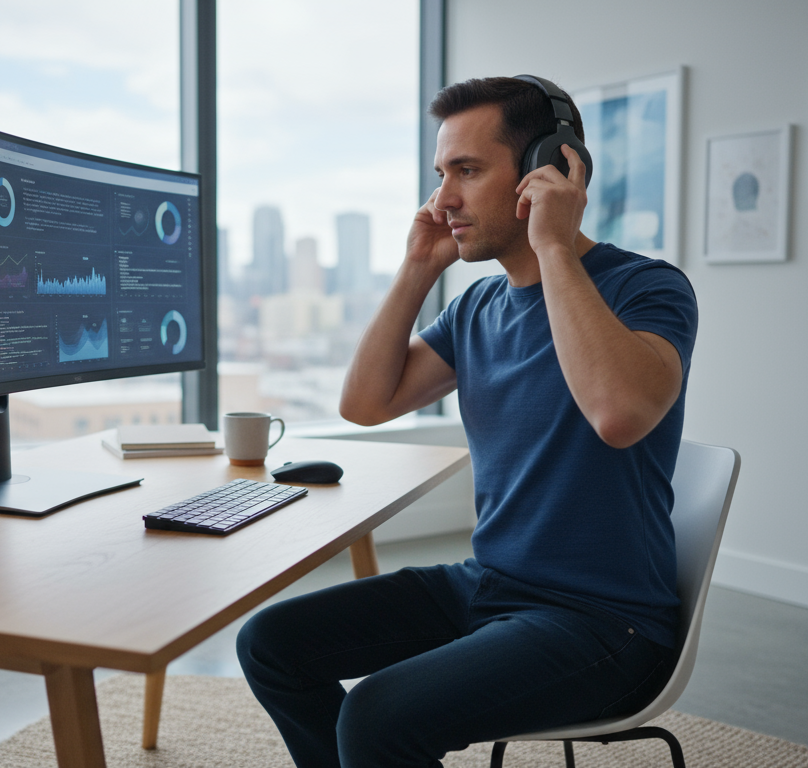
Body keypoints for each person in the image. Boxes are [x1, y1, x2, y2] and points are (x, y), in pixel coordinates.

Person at [236, 76, 699, 768]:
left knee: (378, 714)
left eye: (468, 171)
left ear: (549, 166)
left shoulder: (646, 288)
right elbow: (365, 404)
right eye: (441, 174)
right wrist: (417, 268)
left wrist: (554, 249)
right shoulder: (478, 309)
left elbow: (618, 414)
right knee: (270, 644)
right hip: (486, 585)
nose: (443, 197)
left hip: (605, 623)